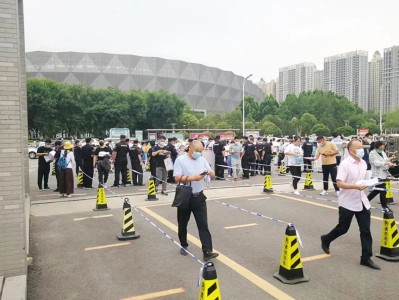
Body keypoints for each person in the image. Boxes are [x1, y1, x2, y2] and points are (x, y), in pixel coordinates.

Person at [320, 139, 381, 270]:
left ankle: (366, 258)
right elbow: (340, 183)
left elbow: (365, 180)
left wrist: (373, 182)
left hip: (362, 201)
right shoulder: (345, 164)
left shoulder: (363, 163)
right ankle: (326, 239)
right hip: (347, 203)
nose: (362, 150)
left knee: (365, 230)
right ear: (351, 150)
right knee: (343, 228)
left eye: (362, 147)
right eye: (359, 147)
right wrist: (355, 186)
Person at [173, 140, 218, 261]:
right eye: (197, 151)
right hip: (185, 196)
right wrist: (193, 178)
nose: (199, 153)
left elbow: (212, 174)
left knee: (203, 224)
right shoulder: (180, 160)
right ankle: (183, 244)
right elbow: (177, 177)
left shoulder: (202, 160)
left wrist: (210, 172)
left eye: (201, 151)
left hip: (199, 197)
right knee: (182, 223)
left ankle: (207, 251)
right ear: (190, 148)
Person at [367, 141, 396, 211]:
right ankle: (385, 207)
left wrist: (390, 159)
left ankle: (364, 202)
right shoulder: (372, 153)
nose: (384, 146)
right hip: (377, 175)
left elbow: (384, 159)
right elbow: (376, 163)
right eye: (383, 145)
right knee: (383, 191)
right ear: (378, 146)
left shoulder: (382, 152)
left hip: (383, 174)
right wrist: (386, 163)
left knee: (377, 190)